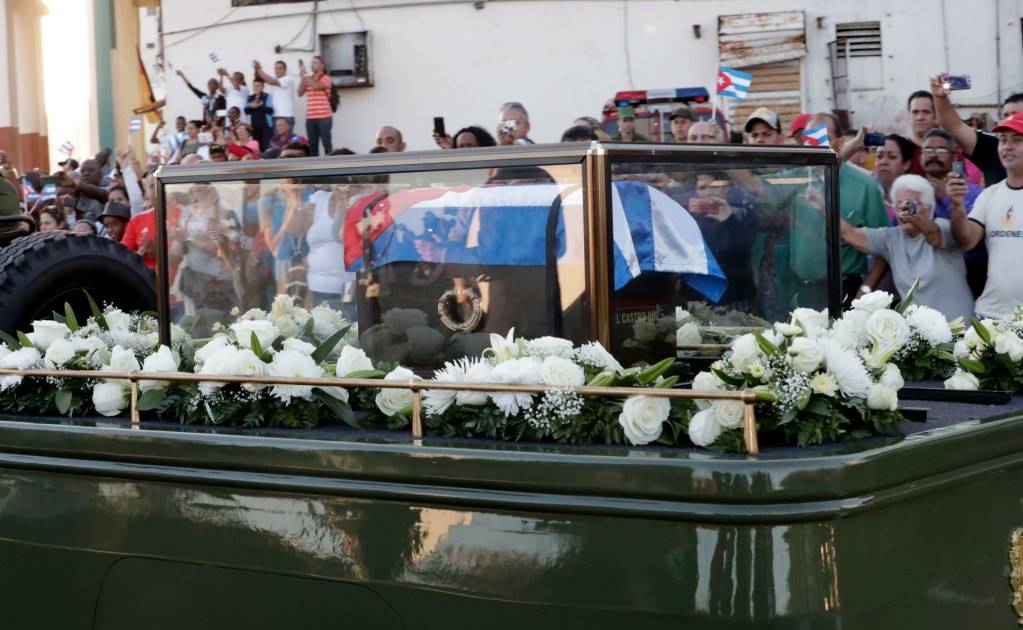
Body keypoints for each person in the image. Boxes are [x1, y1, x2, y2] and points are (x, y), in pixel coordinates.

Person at [839, 174, 972, 321]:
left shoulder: (944, 227)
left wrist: (912, 216)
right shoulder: (891, 238)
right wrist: (822, 206)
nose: (903, 209)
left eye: (911, 204)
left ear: (928, 209)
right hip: (920, 333)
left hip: (957, 327)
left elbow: (933, 235)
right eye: (899, 205)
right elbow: (850, 234)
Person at [807, 113, 890, 301]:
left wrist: (864, 292)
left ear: (839, 141)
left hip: (846, 291)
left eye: (824, 138)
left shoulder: (865, 186)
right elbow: (759, 189)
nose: (815, 145)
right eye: (810, 138)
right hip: (799, 290)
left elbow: (885, 249)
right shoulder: (796, 180)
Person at [950, 114, 1023, 318]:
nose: (1008, 146)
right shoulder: (989, 195)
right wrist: (957, 206)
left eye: (1017, 140)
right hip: (990, 314)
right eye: (1003, 140)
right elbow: (966, 241)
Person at [932, 76, 1023, 185]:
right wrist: (940, 98)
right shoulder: (993, 146)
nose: (1009, 120)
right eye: (1005, 115)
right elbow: (954, 127)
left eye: (1015, 115)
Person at [298, 56, 333, 156]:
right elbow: (299, 93)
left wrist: (306, 75)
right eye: (312, 63)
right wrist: (302, 78)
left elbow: (316, 86)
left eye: (316, 62)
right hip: (310, 118)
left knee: (327, 145)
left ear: (322, 65)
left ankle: (331, 168)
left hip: (324, 117)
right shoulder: (309, 79)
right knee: (313, 146)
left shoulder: (326, 78)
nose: (313, 65)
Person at [254, 60, 297, 135]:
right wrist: (256, 68)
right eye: (276, 68)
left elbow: (270, 81)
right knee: (277, 143)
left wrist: (259, 70)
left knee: (287, 143)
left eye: (280, 68)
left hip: (286, 116)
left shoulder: (288, 79)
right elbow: (259, 77)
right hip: (275, 116)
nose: (277, 70)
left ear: (285, 70)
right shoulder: (274, 78)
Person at [245, 78, 274, 150]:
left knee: (266, 147)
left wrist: (260, 105)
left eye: (258, 86)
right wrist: (252, 107)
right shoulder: (250, 97)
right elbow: (246, 111)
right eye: (255, 86)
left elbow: (270, 110)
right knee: (257, 147)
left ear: (263, 87)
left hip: (266, 126)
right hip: (254, 127)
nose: (256, 88)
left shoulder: (267, 96)